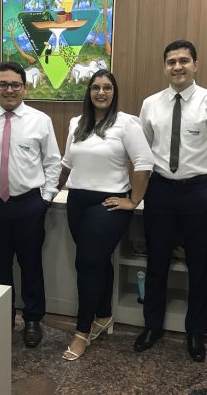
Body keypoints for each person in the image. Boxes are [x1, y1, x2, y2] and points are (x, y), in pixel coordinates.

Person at [136, 39, 207, 361]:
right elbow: (142, 150)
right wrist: (140, 189)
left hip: (198, 192)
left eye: (183, 60)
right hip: (160, 191)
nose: (177, 66)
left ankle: (195, 331)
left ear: (195, 65)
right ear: (164, 66)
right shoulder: (151, 104)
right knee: (157, 262)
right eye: (171, 61)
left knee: (199, 265)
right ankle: (152, 326)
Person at [58, 70, 154, 360]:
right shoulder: (77, 123)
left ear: (114, 92)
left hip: (108, 204)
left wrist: (134, 200)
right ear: (89, 92)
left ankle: (82, 332)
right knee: (97, 262)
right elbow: (67, 162)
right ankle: (103, 316)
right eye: (96, 87)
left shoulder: (126, 123)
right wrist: (52, 189)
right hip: (77, 201)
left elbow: (144, 161)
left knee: (86, 263)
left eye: (107, 88)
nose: (101, 92)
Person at [0, 62, 61, 348]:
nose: (9, 90)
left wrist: (46, 198)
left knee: (31, 264)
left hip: (28, 205)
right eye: (3, 84)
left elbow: (52, 162)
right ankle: (3, 317)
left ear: (25, 87)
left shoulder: (40, 120)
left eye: (15, 85)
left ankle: (33, 319)